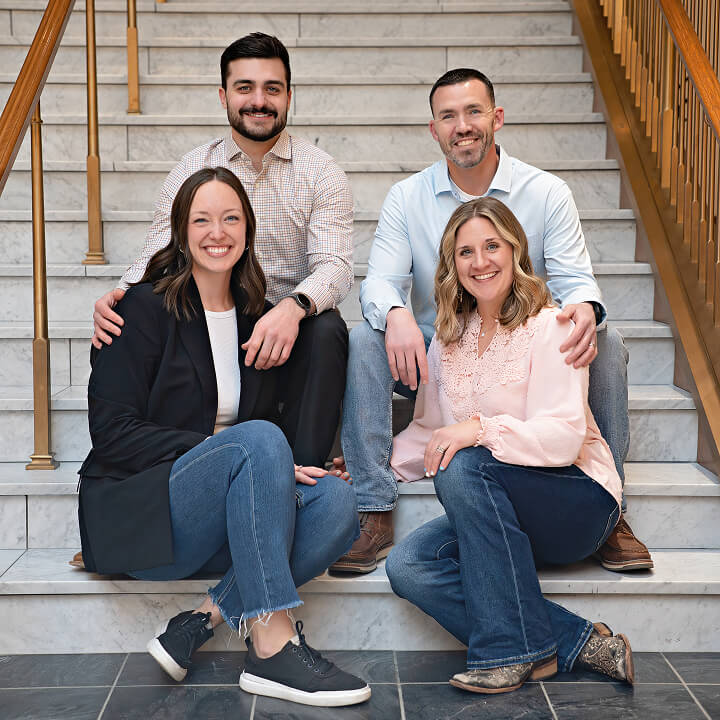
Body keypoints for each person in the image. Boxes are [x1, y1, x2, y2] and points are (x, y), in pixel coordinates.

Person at [333, 68, 652, 574]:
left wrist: (585, 312)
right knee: (365, 336)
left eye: (473, 112)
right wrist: (395, 314)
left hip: (526, 342)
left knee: (604, 341)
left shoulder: (545, 192)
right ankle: (373, 504)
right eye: (448, 116)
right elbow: (379, 282)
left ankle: (608, 509)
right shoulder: (407, 197)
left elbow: (576, 281)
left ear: (496, 117)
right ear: (434, 129)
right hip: (434, 348)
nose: (462, 126)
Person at [77, 167, 371, 708]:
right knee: (258, 439)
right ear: (180, 231)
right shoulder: (140, 308)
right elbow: (111, 432)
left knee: (336, 502)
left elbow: (258, 441)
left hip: (222, 524)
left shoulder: (254, 318)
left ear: (248, 229)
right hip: (145, 515)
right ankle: (271, 646)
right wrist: (232, 453)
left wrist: (273, 465)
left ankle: (203, 618)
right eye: (202, 220)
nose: (218, 232)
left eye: (231, 218)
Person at [385, 197, 634, 693]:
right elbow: (430, 432)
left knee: (463, 465)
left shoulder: (552, 326)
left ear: (516, 250)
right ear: (452, 265)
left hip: (577, 500)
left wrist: (479, 429)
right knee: (409, 565)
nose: (480, 262)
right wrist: (373, 466)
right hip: (498, 516)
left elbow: (563, 439)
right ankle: (579, 643)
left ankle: (504, 652)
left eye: (492, 246)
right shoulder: (448, 339)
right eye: (466, 252)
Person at [90, 32, 353, 469]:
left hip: (290, 330)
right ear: (224, 95)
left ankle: (299, 477)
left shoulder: (320, 172)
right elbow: (158, 249)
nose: (259, 101)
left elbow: (336, 265)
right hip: (215, 323)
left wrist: (292, 308)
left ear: (289, 96)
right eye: (245, 87)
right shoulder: (193, 168)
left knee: (329, 330)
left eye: (272, 88)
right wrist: (121, 297)